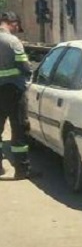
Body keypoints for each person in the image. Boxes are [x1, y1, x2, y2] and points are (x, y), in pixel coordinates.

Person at [0, 11, 32, 179]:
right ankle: (22, 169)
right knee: (19, 129)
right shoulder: (12, 41)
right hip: (13, 90)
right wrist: (29, 74)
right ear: (12, 23)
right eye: (17, 26)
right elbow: (24, 66)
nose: (17, 29)